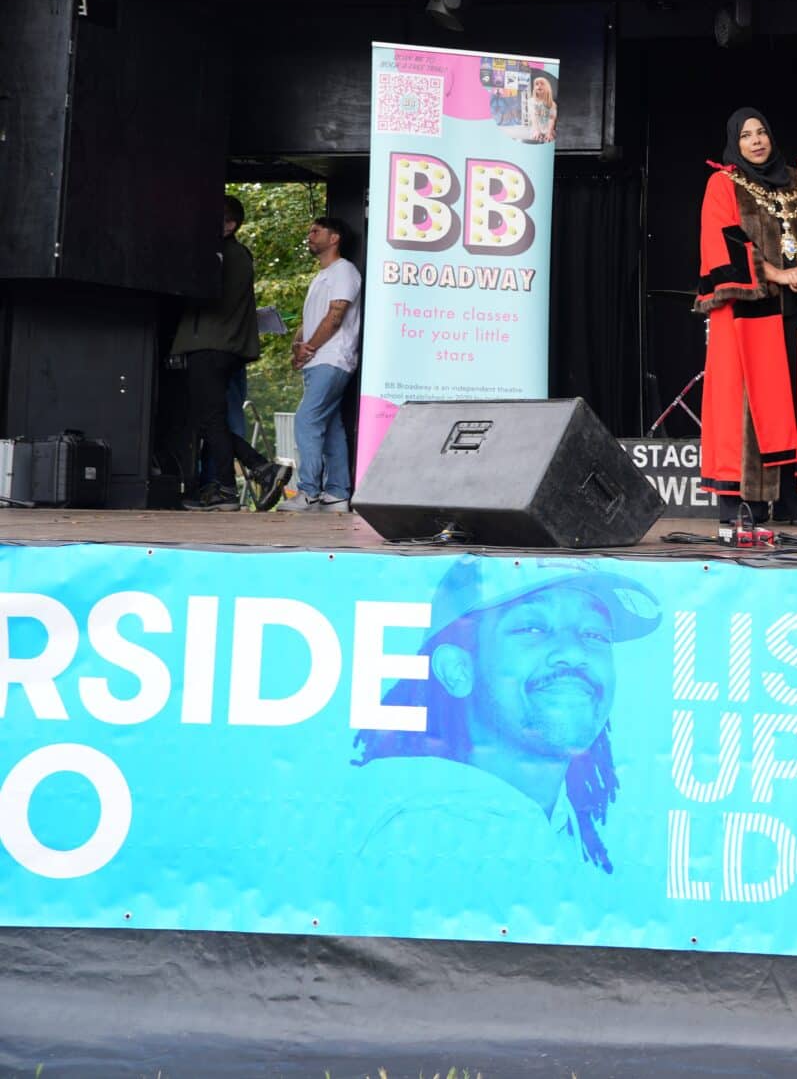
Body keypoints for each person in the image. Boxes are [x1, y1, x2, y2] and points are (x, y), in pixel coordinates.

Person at [353, 558, 661, 874]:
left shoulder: (572, 833)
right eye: (533, 628)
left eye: (594, 634)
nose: (574, 653)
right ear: (458, 670)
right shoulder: (420, 830)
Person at [697, 108, 797, 527]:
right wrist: (780, 274)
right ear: (735, 143)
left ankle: (791, 500)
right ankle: (745, 502)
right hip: (750, 311)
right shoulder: (722, 184)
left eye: (762, 131)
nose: (757, 140)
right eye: (746, 135)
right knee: (748, 403)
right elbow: (724, 242)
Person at [171, 195, 291, 512]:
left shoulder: (223, 256)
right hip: (220, 347)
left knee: (210, 420)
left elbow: (199, 293)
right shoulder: (235, 255)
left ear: (230, 225)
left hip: (211, 346)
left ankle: (229, 486)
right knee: (210, 420)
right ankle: (255, 471)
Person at [286, 216, 363, 512]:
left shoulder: (344, 271)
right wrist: (298, 347)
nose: (310, 235)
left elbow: (335, 315)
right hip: (320, 360)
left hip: (333, 358)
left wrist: (310, 348)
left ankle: (308, 492)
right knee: (330, 427)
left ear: (335, 238)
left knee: (306, 420)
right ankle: (337, 495)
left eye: (316, 231)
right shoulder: (322, 275)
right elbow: (311, 321)